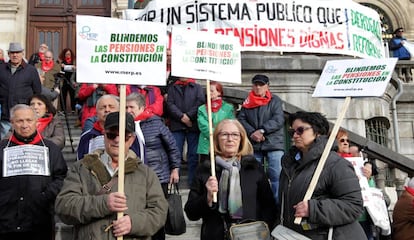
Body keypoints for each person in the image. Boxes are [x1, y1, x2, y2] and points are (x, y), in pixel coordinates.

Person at [55, 111, 168, 240]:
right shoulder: (82, 168)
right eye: (111, 135)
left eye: (124, 136)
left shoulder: (145, 173)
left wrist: (134, 223)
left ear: (132, 139)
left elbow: (159, 212)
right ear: (104, 135)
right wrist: (103, 203)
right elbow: (64, 206)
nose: (117, 140)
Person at [184, 119, 277, 240]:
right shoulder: (205, 169)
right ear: (216, 139)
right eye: (224, 134)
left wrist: (262, 230)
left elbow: (269, 206)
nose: (230, 139)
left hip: (251, 235)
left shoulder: (253, 167)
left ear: (241, 139)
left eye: (235, 134)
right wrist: (207, 198)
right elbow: (191, 213)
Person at [279, 111, 365, 239]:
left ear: (317, 132)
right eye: (292, 132)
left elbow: (353, 206)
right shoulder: (290, 166)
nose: (295, 135)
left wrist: (313, 209)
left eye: (300, 130)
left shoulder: (335, 164)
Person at [0, 104, 67, 239]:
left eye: (29, 120)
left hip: (40, 220)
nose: (25, 125)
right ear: (12, 123)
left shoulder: (51, 149)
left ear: (37, 122)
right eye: (19, 121)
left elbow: (62, 177)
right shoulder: (2, 149)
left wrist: (44, 196)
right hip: (6, 222)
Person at [126, 92, 181, 240]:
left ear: (142, 107)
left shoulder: (156, 123)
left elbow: (172, 147)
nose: (128, 110)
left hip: (158, 176)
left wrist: (175, 168)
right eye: (125, 107)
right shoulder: (125, 125)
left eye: (131, 107)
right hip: (135, 178)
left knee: (156, 214)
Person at [238, 74, 285, 203]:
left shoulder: (275, 100)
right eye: (256, 84)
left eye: (261, 85)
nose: (258, 87)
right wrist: (252, 132)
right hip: (254, 144)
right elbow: (241, 119)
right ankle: (257, 205)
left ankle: (277, 205)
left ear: (267, 86)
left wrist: (262, 130)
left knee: (276, 176)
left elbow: (278, 119)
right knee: (253, 177)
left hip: (274, 143)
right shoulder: (247, 102)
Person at [165, 77, 204, 186]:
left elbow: (200, 102)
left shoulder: (197, 87)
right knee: (175, 152)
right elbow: (170, 104)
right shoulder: (173, 88)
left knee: (193, 154)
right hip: (177, 124)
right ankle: (174, 180)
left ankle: (192, 182)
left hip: (193, 124)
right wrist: (182, 117)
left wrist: (189, 116)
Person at [0, 42, 42, 139]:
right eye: (12, 52)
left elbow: (37, 92)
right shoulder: (1, 69)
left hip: (24, 119)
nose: (15, 55)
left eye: (17, 52)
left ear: (22, 53)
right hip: (5, 117)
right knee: (5, 144)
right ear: (9, 54)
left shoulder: (31, 70)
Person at [197, 81, 234, 162]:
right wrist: (216, 133)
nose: (209, 93)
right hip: (206, 144)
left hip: (222, 143)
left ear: (219, 92)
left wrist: (220, 135)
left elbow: (230, 124)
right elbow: (203, 125)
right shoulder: (202, 109)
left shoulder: (228, 108)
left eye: (212, 91)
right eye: (208, 90)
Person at [57, 48, 77, 112]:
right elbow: (59, 71)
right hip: (64, 81)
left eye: (69, 54)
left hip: (72, 81)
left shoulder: (74, 62)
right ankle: (63, 110)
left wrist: (74, 67)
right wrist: (61, 66)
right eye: (66, 54)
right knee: (63, 95)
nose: (68, 55)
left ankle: (73, 109)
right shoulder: (61, 62)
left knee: (72, 95)